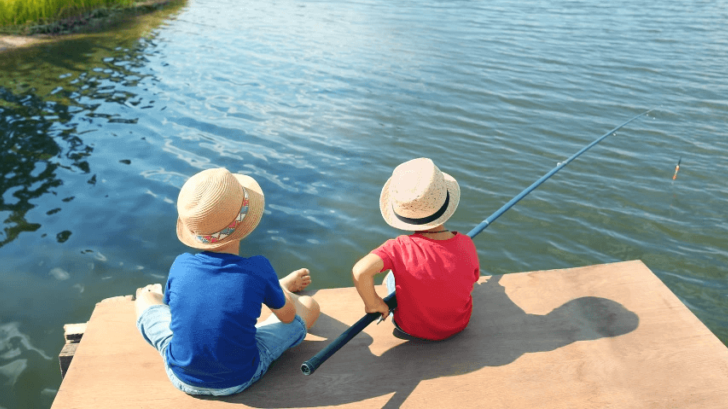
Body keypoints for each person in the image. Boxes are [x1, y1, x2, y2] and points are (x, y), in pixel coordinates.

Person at [134, 167, 320, 396]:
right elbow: (288, 317)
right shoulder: (258, 268)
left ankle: (274, 289)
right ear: (245, 224)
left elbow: (173, 310)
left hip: (180, 375)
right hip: (237, 378)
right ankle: (278, 289)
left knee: (147, 296)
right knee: (310, 308)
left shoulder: (180, 265)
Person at [351, 158, 480, 341]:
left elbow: (360, 271)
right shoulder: (466, 243)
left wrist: (374, 304)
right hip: (459, 325)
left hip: (411, 330)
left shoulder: (397, 247)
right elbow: (473, 279)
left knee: (391, 277)